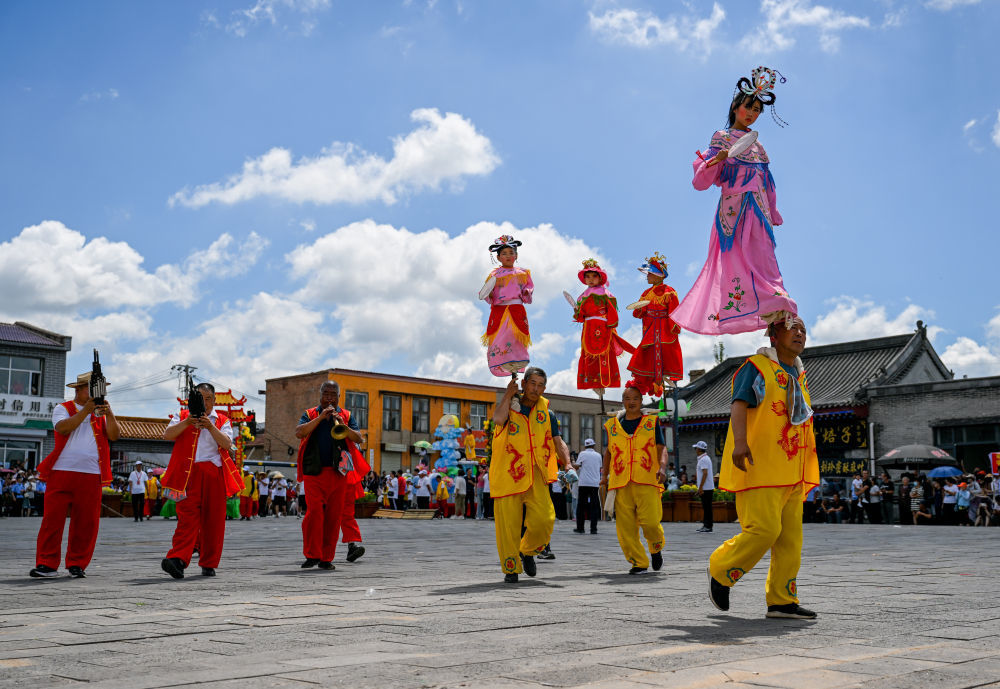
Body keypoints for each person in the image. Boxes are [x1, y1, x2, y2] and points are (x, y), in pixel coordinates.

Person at [672, 65, 797, 336]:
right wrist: (715, 161)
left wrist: (773, 212)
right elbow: (701, 181)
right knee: (739, 259)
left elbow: (768, 183)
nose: (751, 114)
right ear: (735, 106)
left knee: (764, 256)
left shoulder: (759, 146)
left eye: (756, 110)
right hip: (734, 209)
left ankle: (775, 301)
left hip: (759, 212)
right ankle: (745, 306)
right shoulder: (722, 138)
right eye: (747, 107)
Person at [707, 317, 819, 620]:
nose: (799, 333)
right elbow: (739, 404)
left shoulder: (799, 372)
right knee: (764, 530)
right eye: (792, 327)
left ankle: (782, 599)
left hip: (792, 469)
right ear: (773, 333)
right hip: (760, 466)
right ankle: (720, 568)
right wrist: (740, 442)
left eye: (803, 330)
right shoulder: (756, 367)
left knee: (790, 540)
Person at [31, 372, 120, 578]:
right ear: (78, 390)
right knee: (52, 520)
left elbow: (114, 435)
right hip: (62, 471)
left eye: (99, 388)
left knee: (86, 522)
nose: (96, 392)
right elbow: (63, 428)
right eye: (91, 387)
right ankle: (47, 563)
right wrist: (87, 411)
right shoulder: (63, 408)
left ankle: (77, 563)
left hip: (91, 474)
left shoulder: (101, 413)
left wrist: (110, 414)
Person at [490, 367, 571, 583]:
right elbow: (498, 420)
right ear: (524, 384)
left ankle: (527, 551)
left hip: (536, 474)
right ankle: (511, 568)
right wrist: (508, 393)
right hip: (508, 475)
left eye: (540, 385)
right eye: (532, 383)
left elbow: (558, 441)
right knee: (508, 525)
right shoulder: (511, 407)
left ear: (545, 388)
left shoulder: (547, 413)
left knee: (545, 519)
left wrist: (569, 464)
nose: (536, 389)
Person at [160, 383, 241, 579]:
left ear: (214, 400)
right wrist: (188, 422)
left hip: (214, 474)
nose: (204, 403)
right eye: (200, 398)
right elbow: (167, 435)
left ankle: (209, 562)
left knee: (214, 520)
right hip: (188, 475)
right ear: (192, 399)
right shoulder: (181, 416)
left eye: (208, 399)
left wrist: (210, 426)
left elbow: (228, 444)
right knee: (186, 519)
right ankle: (177, 559)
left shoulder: (222, 420)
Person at [294, 380, 365, 570]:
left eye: (333, 394)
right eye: (326, 394)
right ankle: (312, 555)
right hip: (314, 472)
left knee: (333, 517)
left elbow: (359, 438)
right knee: (314, 514)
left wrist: (343, 424)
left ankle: (326, 558)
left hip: (338, 473)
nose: (329, 398)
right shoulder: (310, 414)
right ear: (320, 395)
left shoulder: (347, 415)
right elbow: (299, 432)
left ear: (339, 397)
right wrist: (320, 418)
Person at [602, 383, 667, 574]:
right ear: (622, 401)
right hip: (620, 482)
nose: (631, 402)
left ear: (641, 401)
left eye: (635, 399)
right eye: (627, 399)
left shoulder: (651, 422)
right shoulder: (613, 426)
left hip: (647, 479)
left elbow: (661, 448)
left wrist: (662, 467)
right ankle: (638, 561)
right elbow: (608, 452)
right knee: (625, 528)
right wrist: (603, 477)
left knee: (651, 522)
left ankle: (656, 547)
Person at [571, 259, 633, 393]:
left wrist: (611, 325)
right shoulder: (582, 297)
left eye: (594, 276)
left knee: (605, 354)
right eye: (587, 276)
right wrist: (577, 313)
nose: (590, 279)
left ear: (600, 278)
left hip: (602, 327)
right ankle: (594, 383)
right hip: (588, 328)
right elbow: (581, 317)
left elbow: (612, 311)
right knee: (589, 355)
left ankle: (604, 381)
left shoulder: (605, 294)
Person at [626, 252, 683, 396]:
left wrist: (673, 329)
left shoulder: (670, 292)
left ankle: (664, 379)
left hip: (664, 329)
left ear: (659, 275)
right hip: (651, 330)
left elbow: (675, 313)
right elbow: (638, 313)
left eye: (650, 273)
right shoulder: (646, 293)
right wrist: (639, 309)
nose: (647, 276)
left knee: (667, 354)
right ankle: (653, 382)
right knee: (647, 355)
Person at [480, 234, 533, 377]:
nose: (508, 256)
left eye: (511, 253)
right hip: (500, 310)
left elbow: (528, 289)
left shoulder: (522, 273)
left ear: (516, 255)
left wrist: (527, 292)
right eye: (504, 253)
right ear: (498, 258)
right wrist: (488, 295)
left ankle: (518, 360)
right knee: (501, 337)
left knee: (515, 336)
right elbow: (488, 293)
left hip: (516, 308)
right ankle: (502, 361)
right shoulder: (494, 275)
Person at [574, 438, 603, 534]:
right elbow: (599, 467)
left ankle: (580, 528)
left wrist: (572, 463)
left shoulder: (582, 454)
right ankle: (593, 529)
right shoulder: (598, 455)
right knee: (594, 506)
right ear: (593, 445)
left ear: (585, 446)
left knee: (581, 506)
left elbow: (577, 466)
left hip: (583, 483)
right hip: (595, 483)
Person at [694, 441, 715, 533]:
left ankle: (708, 526)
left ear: (699, 449)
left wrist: (701, 487)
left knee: (707, 508)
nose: (695, 450)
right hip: (707, 487)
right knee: (707, 507)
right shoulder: (705, 458)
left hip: (706, 488)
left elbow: (705, 473)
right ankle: (706, 525)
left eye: (696, 448)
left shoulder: (703, 459)